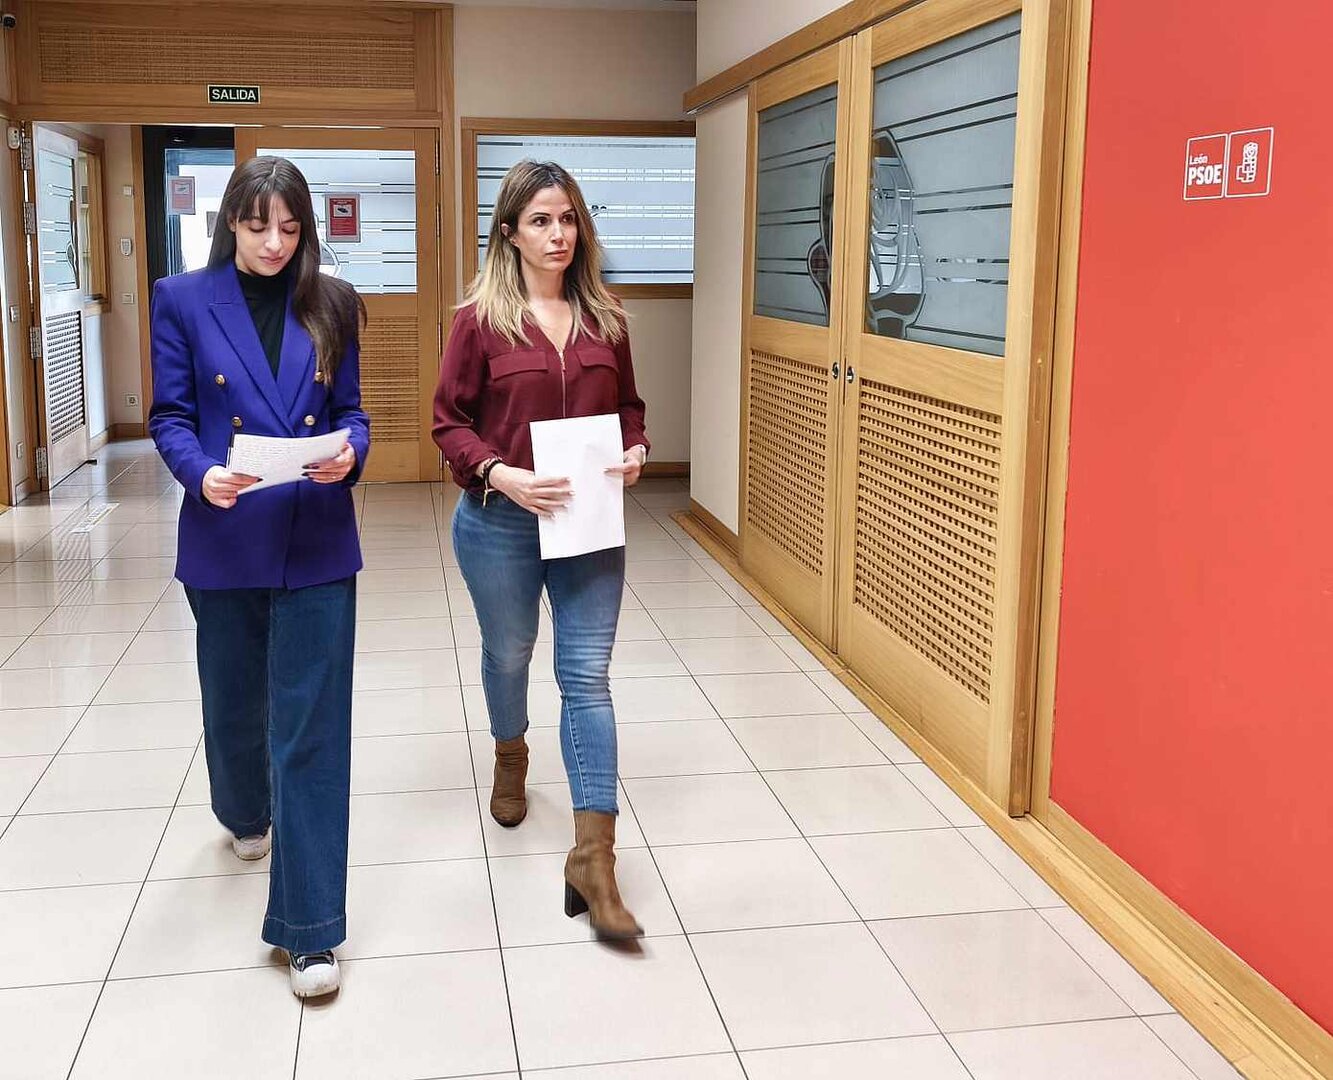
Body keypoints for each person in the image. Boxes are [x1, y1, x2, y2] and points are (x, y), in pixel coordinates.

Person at [148, 156, 369, 996]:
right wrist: (200, 472)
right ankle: (244, 811)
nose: (274, 243)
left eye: (289, 226)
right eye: (256, 226)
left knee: (310, 730)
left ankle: (309, 930)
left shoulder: (335, 302)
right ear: (229, 223)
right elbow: (170, 414)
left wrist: (350, 451)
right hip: (225, 533)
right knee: (235, 699)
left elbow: (352, 411)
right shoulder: (181, 299)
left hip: (315, 537)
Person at [434, 159, 649, 940]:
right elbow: (447, 422)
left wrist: (636, 451)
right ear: (510, 232)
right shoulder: (478, 321)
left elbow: (627, 409)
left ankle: (594, 858)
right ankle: (510, 752)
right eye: (540, 221)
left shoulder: (607, 318)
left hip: (589, 526)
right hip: (500, 520)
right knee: (509, 653)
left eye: (567, 219)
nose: (558, 234)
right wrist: (498, 471)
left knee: (586, 676)